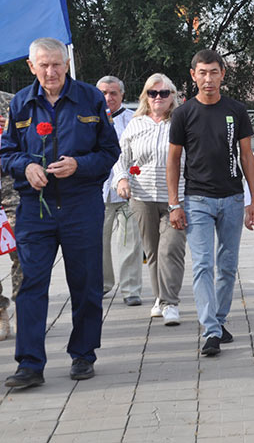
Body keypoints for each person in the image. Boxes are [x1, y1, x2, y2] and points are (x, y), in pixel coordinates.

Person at [1, 37, 120, 388]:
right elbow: (6, 153)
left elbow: (109, 152)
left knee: (85, 284)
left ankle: (83, 354)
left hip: (81, 204)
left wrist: (79, 165)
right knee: (31, 284)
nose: (51, 72)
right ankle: (30, 363)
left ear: (67, 63)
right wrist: (26, 167)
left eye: (57, 64)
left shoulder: (90, 98)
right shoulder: (21, 103)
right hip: (34, 209)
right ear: (31, 66)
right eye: (44, 65)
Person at [166, 49, 254, 358]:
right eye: (202, 73)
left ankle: (218, 321)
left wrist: (253, 200)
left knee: (228, 265)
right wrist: (174, 203)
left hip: (232, 199)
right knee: (204, 264)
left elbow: (246, 156)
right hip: (197, 200)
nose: (208, 78)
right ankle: (210, 330)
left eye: (214, 72)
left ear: (223, 74)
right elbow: (174, 160)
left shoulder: (237, 110)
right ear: (193, 75)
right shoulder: (183, 113)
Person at [114, 74, 186, 326]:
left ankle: (170, 303)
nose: (158, 98)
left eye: (164, 93)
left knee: (171, 249)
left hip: (175, 198)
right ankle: (159, 298)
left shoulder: (181, 122)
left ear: (172, 96)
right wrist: (122, 179)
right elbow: (121, 158)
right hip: (142, 197)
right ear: (145, 96)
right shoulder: (136, 124)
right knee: (153, 251)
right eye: (153, 93)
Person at [97, 75, 143, 305]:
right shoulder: (89, 120)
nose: (108, 97)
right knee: (98, 241)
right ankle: (103, 284)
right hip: (98, 190)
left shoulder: (134, 120)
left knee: (130, 240)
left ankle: (130, 288)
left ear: (122, 95)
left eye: (113, 93)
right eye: (104, 93)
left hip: (128, 190)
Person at [0, 89, 22, 342]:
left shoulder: (14, 102)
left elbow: (39, 139)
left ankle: (24, 307)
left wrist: (11, 129)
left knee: (22, 248)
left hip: (13, 189)